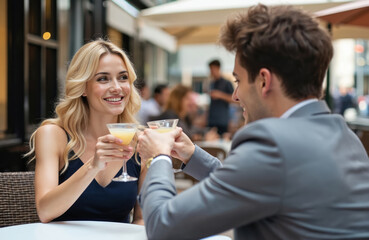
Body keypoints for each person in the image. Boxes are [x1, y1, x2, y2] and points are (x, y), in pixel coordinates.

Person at [136, 4, 369, 240]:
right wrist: (191, 154)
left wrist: (159, 157)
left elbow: (162, 226)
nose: (235, 96)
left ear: (264, 81)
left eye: (238, 80)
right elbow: (255, 181)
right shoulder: (346, 136)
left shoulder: (274, 144)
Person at [25, 39, 146, 224]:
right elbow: (45, 211)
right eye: (103, 79)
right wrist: (92, 167)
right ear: (82, 87)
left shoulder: (141, 143)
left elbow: (142, 219)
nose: (117, 87)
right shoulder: (53, 136)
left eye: (123, 77)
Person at [207, 59, 234, 136]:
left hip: (222, 120)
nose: (211, 71)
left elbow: (234, 99)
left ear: (218, 68)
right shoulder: (211, 83)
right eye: (210, 69)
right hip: (212, 120)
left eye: (213, 69)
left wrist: (220, 95)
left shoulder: (227, 83)